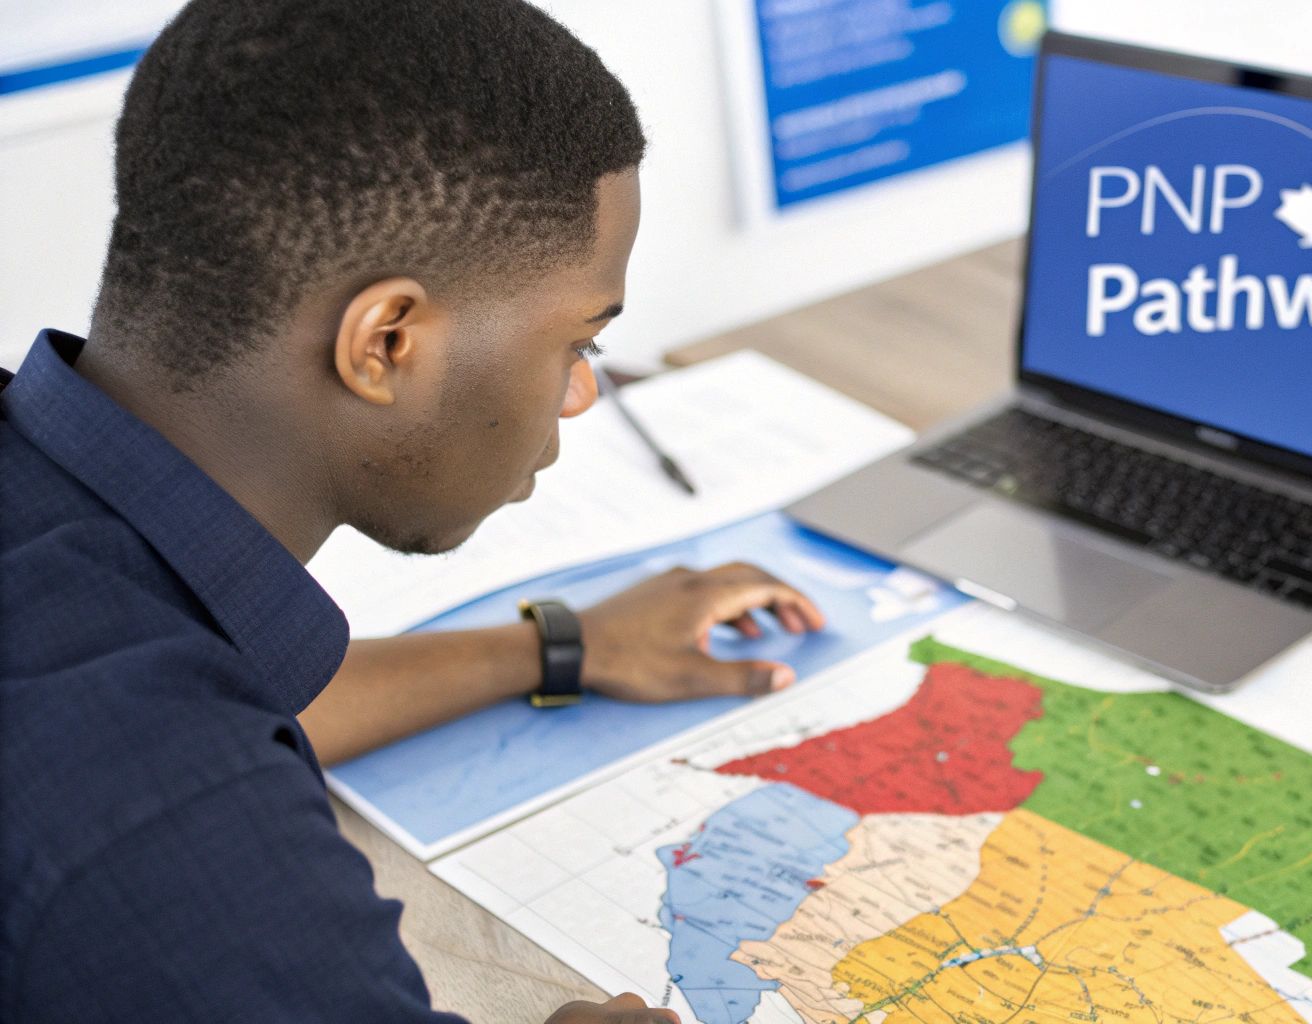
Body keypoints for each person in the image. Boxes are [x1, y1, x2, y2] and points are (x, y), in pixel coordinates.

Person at [0, 1, 827, 1020]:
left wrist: (563, 645)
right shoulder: (193, 844)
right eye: (578, 340)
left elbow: (177, 679)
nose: (581, 394)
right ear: (386, 340)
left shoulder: (68, 546)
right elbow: (157, 771)